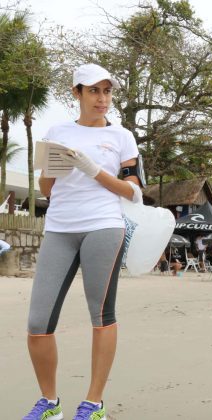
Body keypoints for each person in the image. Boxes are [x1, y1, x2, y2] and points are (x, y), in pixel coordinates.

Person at [23, 63, 142, 420]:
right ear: (76, 93)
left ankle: (93, 404)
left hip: (104, 226)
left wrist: (94, 169)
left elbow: (134, 193)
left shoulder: (122, 137)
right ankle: (49, 403)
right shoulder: (57, 131)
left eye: (107, 91)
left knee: (101, 315)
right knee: (37, 323)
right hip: (60, 227)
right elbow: (47, 191)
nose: (102, 99)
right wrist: (53, 168)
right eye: (93, 91)